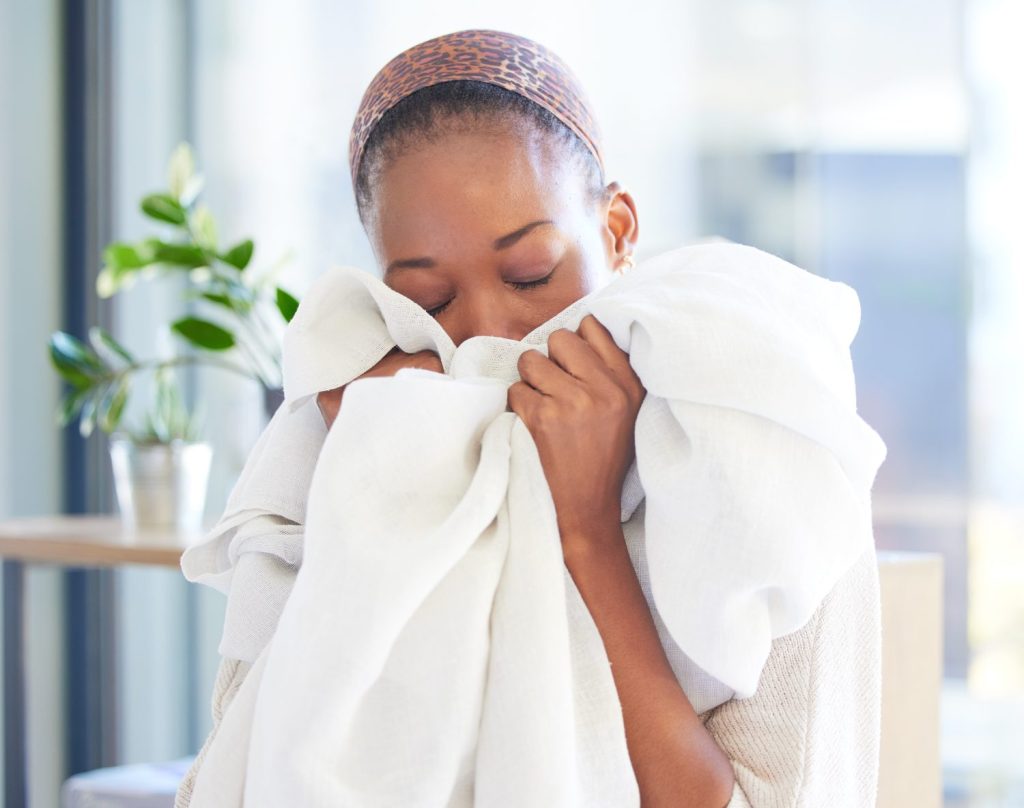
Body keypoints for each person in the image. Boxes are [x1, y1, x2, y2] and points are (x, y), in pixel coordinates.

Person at [177, 28, 881, 808]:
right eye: (430, 300)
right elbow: (236, 772)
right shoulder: (354, 435)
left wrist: (586, 528)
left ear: (617, 233)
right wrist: (382, 500)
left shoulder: (757, 430)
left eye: (532, 275)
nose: (485, 336)